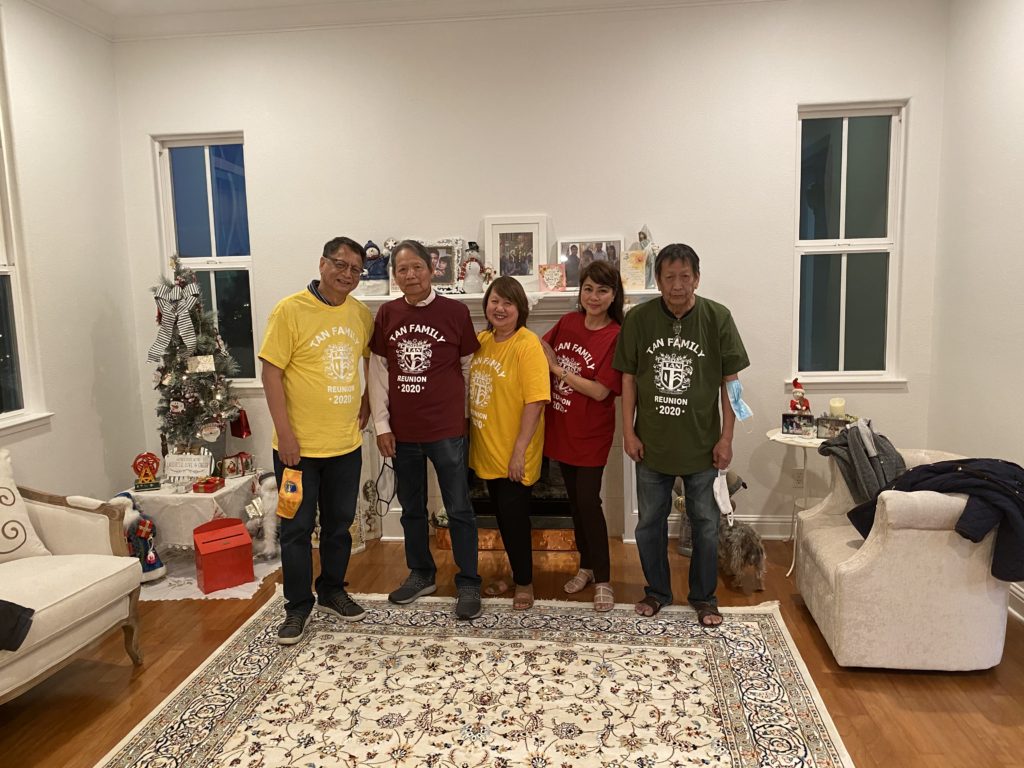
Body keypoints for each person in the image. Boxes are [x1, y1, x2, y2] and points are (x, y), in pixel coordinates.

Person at [613, 243, 749, 626]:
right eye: (669, 277)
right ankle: (656, 591)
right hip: (651, 445)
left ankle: (704, 597)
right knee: (648, 524)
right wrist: (628, 431)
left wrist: (727, 438)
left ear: (697, 278)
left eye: (684, 277)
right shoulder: (638, 319)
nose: (677, 285)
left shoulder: (717, 317)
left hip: (703, 448)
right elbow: (627, 379)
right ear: (658, 280)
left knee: (706, 523)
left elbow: (732, 384)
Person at [259, 236, 373, 644]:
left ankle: (332, 590)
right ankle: (296, 607)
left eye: (355, 270)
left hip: (346, 446)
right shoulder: (290, 311)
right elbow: (270, 373)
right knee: (296, 529)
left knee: (339, 527)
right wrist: (286, 435)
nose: (346, 274)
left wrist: (366, 400)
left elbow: (371, 361)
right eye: (339, 265)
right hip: (297, 451)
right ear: (322, 264)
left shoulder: (360, 315)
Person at [369, 240, 483, 620]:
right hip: (403, 432)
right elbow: (378, 373)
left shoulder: (455, 312)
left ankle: (468, 580)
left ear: (432, 268)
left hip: (447, 428)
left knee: (459, 508)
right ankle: (421, 573)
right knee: (412, 509)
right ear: (394, 275)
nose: (410, 275)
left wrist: (466, 420)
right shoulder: (386, 314)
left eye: (416, 267)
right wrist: (382, 425)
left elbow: (469, 368)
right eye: (402, 269)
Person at [540, 261, 624, 611]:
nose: (594, 296)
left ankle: (604, 579)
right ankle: (586, 567)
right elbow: (539, 349)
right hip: (560, 428)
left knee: (590, 504)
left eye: (602, 290)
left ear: (614, 295)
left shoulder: (616, 335)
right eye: (588, 288)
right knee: (574, 504)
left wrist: (558, 368)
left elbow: (601, 391)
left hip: (591, 434)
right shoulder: (567, 322)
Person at [468, 276, 550, 610]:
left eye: (508, 303)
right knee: (502, 518)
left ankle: (526, 584)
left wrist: (519, 452)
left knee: (515, 519)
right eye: (494, 301)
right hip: (487, 449)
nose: (500, 309)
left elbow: (536, 401)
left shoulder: (526, 343)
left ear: (520, 309)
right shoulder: (481, 341)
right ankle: (515, 575)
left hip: (515, 452)